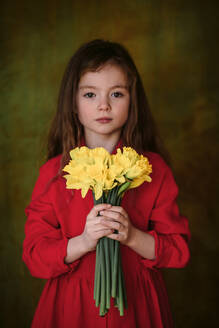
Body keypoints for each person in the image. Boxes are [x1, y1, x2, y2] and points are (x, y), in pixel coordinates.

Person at [22, 39, 190, 328]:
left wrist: (132, 236)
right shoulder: (54, 174)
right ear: (73, 104)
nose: (103, 105)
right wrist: (84, 241)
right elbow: (34, 256)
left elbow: (178, 252)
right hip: (70, 307)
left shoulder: (153, 169)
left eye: (116, 94)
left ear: (131, 101)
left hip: (136, 306)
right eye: (89, 94)